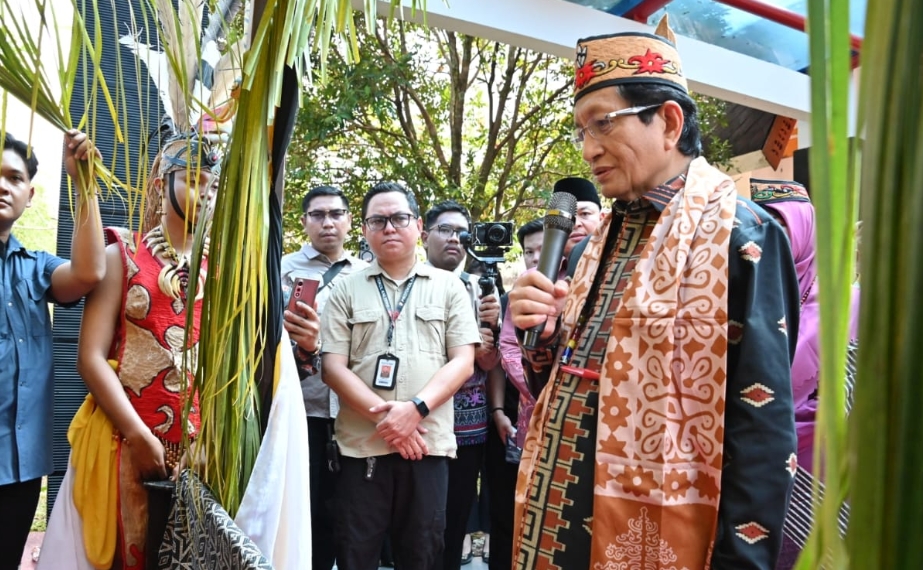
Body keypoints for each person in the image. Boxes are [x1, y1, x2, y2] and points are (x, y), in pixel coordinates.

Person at [509, 18, 800, 570]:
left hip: (660, 534)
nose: (588, 150)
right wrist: (541, 339)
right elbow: (559, 382)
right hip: (557, 520)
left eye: (602, 125)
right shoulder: (592, 246)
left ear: (668, 121)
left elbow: (761, 422)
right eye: (580, 132)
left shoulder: (743, 236)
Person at [39, 132, 220, 570]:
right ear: (161, 183)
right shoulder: (124, 253)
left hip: (202, 448)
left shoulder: (223, 269)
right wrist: (138, 435)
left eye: (213, 186)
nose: (206, 195)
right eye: (194, 180)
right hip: (121, 440)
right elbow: (90, 357)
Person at [320, 182, 481, 570]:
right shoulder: (344, 289)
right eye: (378, 220)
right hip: (363, 448)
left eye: (399, 218)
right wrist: (389, 419)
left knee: (422, 554)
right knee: (356, 554)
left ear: (419, 226)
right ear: (364, 230)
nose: (389, 227)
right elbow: (332, 367)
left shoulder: (450, 288)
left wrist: (415, 410)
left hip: (428, 447)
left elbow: (463, 362)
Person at [0, 130, 105, 570]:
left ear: (30, 194)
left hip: (19, 466)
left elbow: (89, 270)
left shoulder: (34, 267)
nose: (3, 185)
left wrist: (82, 183)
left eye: (14, 177)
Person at [748, 179, 861, 570]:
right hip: (755, 479)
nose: (770, 238)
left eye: (782, 227)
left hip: (831, 473)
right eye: (763, 225)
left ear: (805, 230)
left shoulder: (851, 305)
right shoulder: (743, 296)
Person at [280, 185, 368, 570]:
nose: (328, 222)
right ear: (304, 222)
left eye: (336, 214)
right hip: (303, 409)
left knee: (348, 518)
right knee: (305, 511)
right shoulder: (282, 269)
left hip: (355, 414)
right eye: (318, 215)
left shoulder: (369, 273)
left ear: (350, 221)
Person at [420, 200, 501, 570]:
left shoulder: (482, 286)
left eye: (461, 233)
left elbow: (488, 362)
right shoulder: (411, 283)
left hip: (468, 427)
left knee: (455, 521)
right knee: (418, 522)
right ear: (424, 235)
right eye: (445, 230)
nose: (454, 239)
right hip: (419, 423)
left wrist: (492, 330)